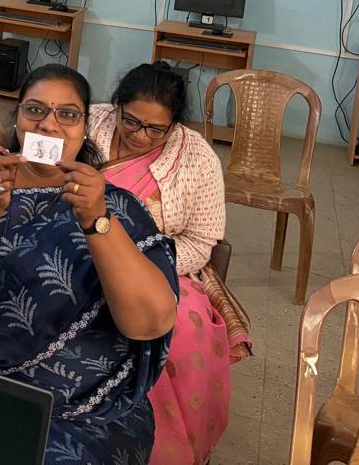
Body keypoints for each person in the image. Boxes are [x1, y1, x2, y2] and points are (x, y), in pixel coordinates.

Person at [0, 65, 178, 465]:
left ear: (84, 129)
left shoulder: (119, 208)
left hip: (74, 408)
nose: (49, 125)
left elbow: (150, 321)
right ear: (17, 121)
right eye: (35, 110)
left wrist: (97, 222)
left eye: (67, 114)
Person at [87, 63, 247, 465]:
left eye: (155, 129)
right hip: (74, 252)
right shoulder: (88, 123)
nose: (140, 135)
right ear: (117, 106)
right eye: (132, 121)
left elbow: (200, 242)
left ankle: (165, 448)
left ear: (173, 125)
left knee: (180, 330)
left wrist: (141, 262)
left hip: (159, 264)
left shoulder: (197, 158)